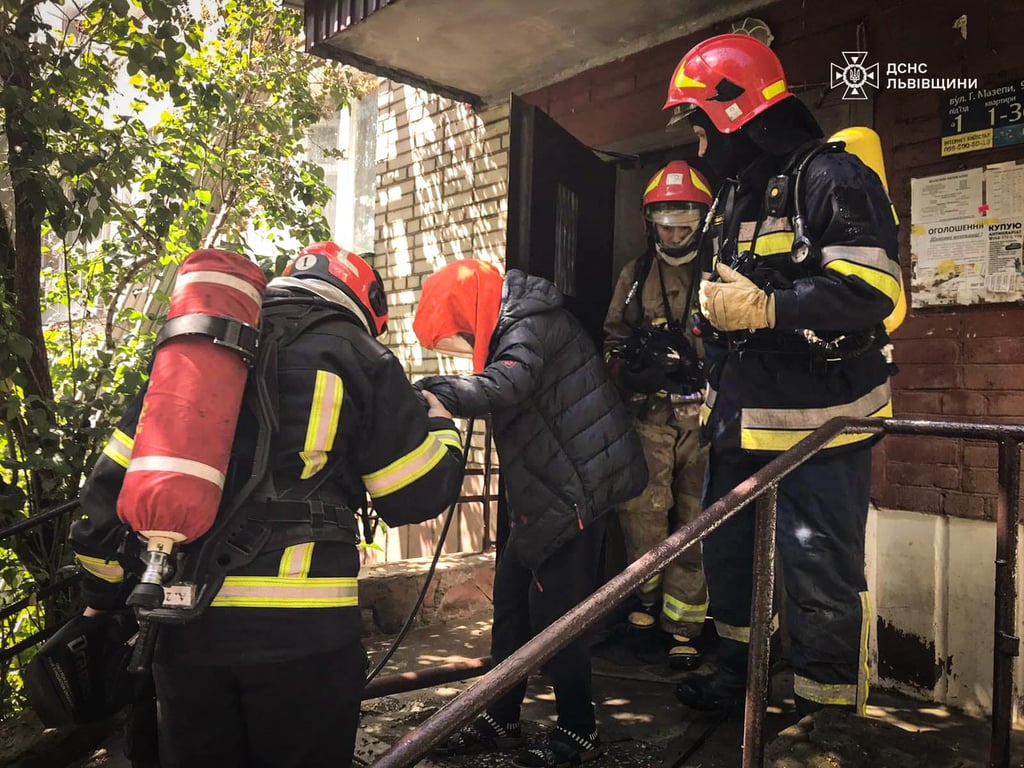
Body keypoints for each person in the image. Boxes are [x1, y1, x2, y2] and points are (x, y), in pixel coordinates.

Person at [70, 242, 466, 768]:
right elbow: (415, 492)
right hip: (306, 637)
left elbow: (101, 505)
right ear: (364, 301)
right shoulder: (358, 354)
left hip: (187, 630)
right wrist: (442, 425)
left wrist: (104, 598)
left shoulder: (197, 353)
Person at [662, 34, 901, 716]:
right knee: (730, 567)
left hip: (819, 428)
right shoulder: (734, 193)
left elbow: (869, 289)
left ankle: (825, 717)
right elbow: (728, 297)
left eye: (698, 120)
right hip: (738, 421)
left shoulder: (833, 178)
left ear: (732, 110)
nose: (695, 140)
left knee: (818, 573)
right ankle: (740, 680)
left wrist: (770, 306)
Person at [412, 259, 647, 768]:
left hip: (574, 487)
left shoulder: (530, 323)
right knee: (512, 605)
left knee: (555, 617)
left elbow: (506, 385)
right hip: (542, 489)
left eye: (457, 338)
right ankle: (502, 716)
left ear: (471, 312)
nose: (461, 351)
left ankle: (577, 731)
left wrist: (436, 392)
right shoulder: (518, 320)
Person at [602, 160, 713, 669]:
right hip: (649, 415)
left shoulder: (722, 266)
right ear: (651, 222)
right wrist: (637, 373)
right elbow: (613, 341)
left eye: (683, 222)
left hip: (707, 419)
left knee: (696, 518)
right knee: (644, 515)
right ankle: (644, 606)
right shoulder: (636, 273)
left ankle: (685, 624)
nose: (673, 233)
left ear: (702, 219)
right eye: (665, 223)